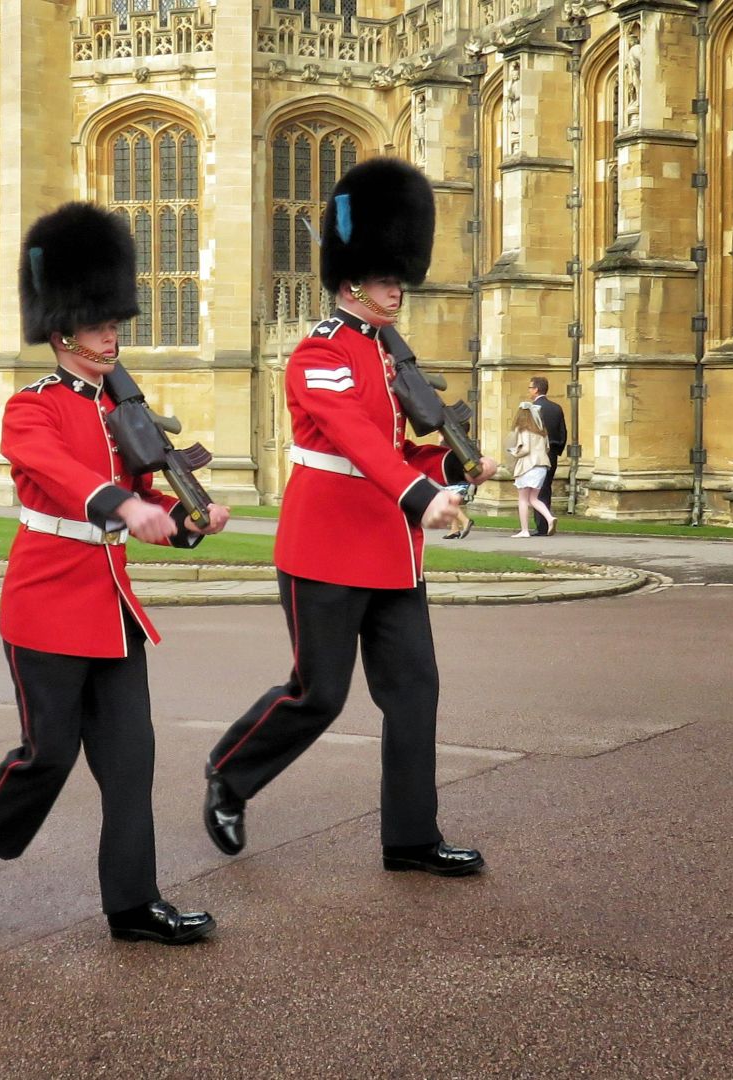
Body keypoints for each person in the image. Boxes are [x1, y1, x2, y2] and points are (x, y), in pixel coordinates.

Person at [0, 201, 229, 945]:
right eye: (99, 324)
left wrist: (189, 520)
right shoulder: (29, 407)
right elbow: (56, 473)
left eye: (114, 322)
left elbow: (150, 499)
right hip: (47, 601)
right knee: (48, 757)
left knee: (132, 763)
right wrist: (126, 505)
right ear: (63, 330)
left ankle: (132, 905)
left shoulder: (124, 411)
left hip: (111, 605)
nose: (112, 333)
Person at [202, 158, 499, 876]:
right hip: (326, 551)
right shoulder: (318, 354)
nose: (399, 289)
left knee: (415, 693)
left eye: (401, 277)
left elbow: (402, 450)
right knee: (319, 693)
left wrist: (455, 470)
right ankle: (230, 775)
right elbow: (358, 445)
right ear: (350, 281)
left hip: (392, 555)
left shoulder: (392, 361)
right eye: (387, 278)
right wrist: (422, 496)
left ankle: (411, 837)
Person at [507, 402, 555, 538]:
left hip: (528, 466)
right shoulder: (542, 432)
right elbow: (546, 449)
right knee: (533, 498)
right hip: (542, 467)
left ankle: (524, 530)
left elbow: (526, 449)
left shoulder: (523, 430)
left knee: (523, 499)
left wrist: (514, 452)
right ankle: (549, 518)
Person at [526, 376, 565, 535]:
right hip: (552, 454)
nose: (529, 391)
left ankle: (541, 526)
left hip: (537, 454)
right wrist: (556, 450)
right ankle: (546, 523)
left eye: (530, 388)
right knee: (546, 488)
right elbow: (563, 432)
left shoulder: (531, 409)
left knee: (536, 490)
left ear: (536, 389)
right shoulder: (556, 408)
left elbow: (528, 434)